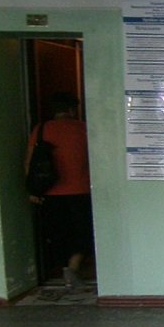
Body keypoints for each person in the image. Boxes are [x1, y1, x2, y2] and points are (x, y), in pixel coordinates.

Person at [25, 91, 94, 292]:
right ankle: (73, 268)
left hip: (50, 192)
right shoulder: (83, 129)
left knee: (59, 233)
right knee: (83, 232)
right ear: (72, 110)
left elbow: (29, 162)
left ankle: (66, 270)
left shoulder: (41, 130)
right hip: (81, 189)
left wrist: (33, 190)